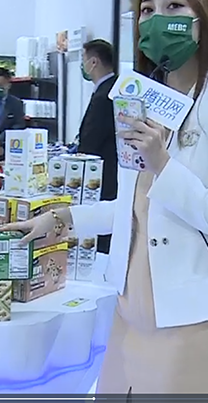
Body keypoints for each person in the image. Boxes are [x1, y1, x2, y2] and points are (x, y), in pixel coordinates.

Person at [2, 0, 208, 394]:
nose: (157, 19)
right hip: (129, 309)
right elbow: (135, 206)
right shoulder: (143, 98)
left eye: (174, 6)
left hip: (192, 319)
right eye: (147, 10)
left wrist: (163, 163)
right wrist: (62, 219)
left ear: (204, 17)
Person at [76, 39, 118, 254]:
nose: (82, 65)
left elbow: (91, 140)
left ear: (93, 62)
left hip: (102, 175)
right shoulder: (113, 88)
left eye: (83, 60)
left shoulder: (105, 95)